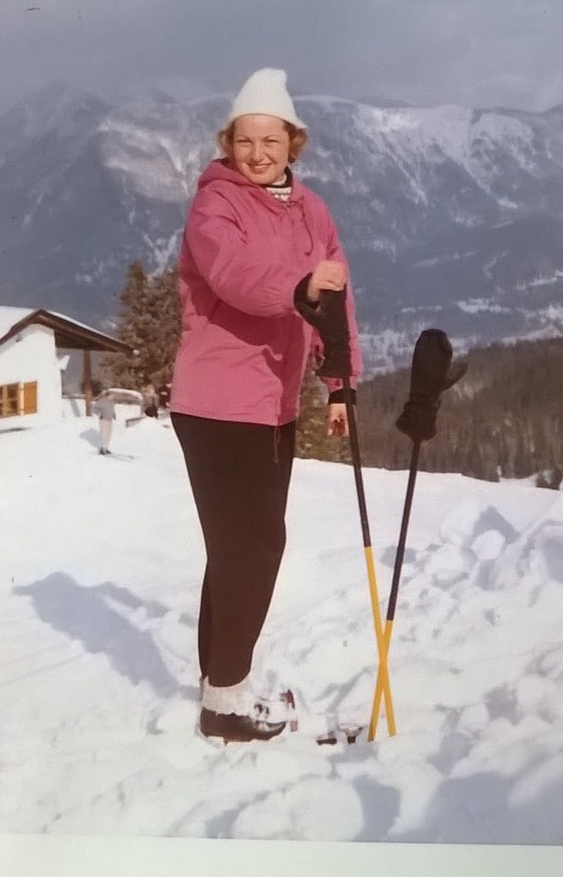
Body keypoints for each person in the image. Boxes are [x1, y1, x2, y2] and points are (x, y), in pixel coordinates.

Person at [170, 68, 362, 743]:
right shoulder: (214, 206)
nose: (257, 153)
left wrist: (339, 378)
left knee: (237, 551)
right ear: (227, 142)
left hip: (274, 402)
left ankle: (220, 688)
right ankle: (225, 704)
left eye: (271, 140)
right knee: (251, 548)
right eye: (245, 140)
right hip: (217, 403)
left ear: (293, 142)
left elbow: (334, 296)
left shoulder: (310, 210)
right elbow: (237, 278)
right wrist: (301, 280)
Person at [92, 385, 117, 455]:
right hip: (103, 420)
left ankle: (106, 448)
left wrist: (113, 414)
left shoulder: (111, 401)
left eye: (113, 396)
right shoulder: (101, 401)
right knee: (104, 434)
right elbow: (94, 408)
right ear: (108, 395)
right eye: (112, 396)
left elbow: (111, 409)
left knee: (109, 434)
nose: (113, 397)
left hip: (110, 420)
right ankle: (102, 449)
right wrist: (99, 414)